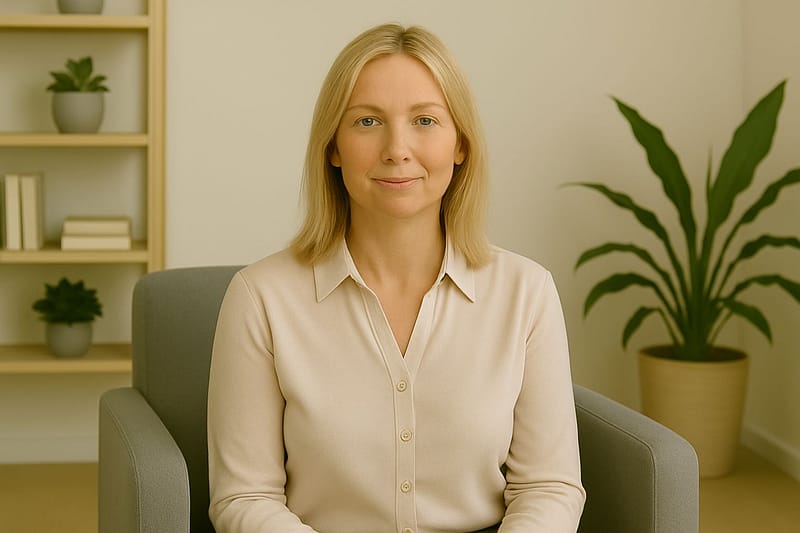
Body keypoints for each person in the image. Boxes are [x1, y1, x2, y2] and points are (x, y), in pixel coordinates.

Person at [207, 23, 585, 533]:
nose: (397, 149)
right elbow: (245, 497)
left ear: (460, 146)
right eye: (367, 122)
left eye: (425, 120)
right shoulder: (260, 297)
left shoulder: (527, 292)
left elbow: (548, 487)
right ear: (333, 148)